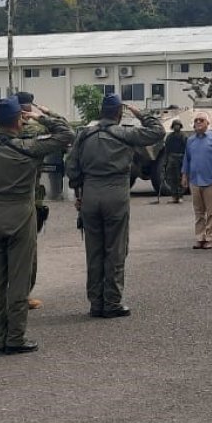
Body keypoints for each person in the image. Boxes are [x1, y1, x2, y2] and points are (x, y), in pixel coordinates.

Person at [0, 97, 73, 355]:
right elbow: (66, 133)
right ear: (18, 119)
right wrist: (39, 116)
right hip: (21, 214)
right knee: (19, 280)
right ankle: (15, 337)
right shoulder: (29, 146)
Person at [66, 93, 164, 318]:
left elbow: (71, 166)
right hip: (116, 194)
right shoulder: (126, 134)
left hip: (90, 194)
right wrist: (141, 113)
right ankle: (112, 302)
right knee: (115, 250)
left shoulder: (85, 134)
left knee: (94, 250)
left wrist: (79, 191)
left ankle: (95, 302)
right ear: (119, 113)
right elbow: (157, 131)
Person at [17, 91, 62, 309]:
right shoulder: (36, 130)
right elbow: (63, 129)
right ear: (28, 108)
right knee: (27, 251)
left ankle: (4, 294)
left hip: (1, 201)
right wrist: (45, 113)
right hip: (29, 198)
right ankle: (22, 295)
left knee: (3, 253)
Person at [182, 111, 212, 250]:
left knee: (211, 211)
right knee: (198, 211)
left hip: (210, 180)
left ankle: (209, 237)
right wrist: (184, 175)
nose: (198, 122)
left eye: (202, 120)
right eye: (196, 120)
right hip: (195, 180)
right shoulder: (190, 140)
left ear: (208, 123)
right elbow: (186, 159)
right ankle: (199, 237)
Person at [163, 119, 188, 203]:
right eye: (175, 125)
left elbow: (187, 149)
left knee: (180, 177)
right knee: (171, 178)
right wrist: (165, 161)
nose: (176, 127)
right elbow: (166, 149)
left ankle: (180, 195)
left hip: (180, 158)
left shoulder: (183, 136)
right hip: (171, 158)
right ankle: (174, 195)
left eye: (178, 125)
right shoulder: (169, 137)